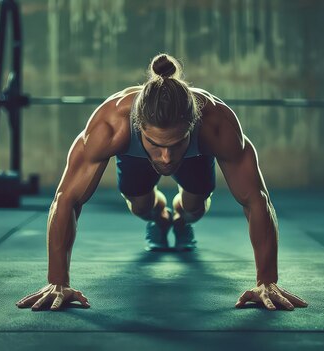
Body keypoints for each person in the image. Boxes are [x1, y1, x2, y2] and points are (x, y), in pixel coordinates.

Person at [16, 54, 308, 312]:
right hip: (134, 158)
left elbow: (256, 199)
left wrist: (267, 281)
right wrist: (57, 281)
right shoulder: (110, 125)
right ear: (137, 125)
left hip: (195, 158)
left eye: (175, 143)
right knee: (141, 208)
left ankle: (181, 217)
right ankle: (160, 215)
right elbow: (66, 199)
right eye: (156, 144)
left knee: (194, 209)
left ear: (192, 126)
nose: (166, 158)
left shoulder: (217, 124)